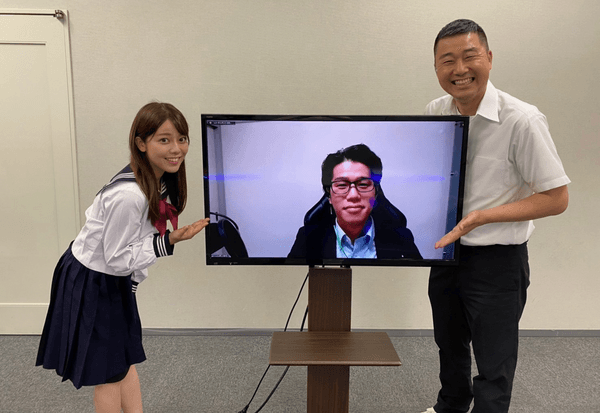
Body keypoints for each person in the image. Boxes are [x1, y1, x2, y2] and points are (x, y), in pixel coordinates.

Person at [421, 20, 570, 413]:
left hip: (497, 259)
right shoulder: (436, 111)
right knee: (449, 343)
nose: (459, 69)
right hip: (446, 253)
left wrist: (482, 217)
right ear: (435, 68)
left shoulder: (522, 119)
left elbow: (556, 198)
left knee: (494, 361)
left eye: (469, 56)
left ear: (488, 58)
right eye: (447, 60)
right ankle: (450, 405)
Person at [36, 102, 210, 413]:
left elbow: (131, 246)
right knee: (109, 372)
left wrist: (133, 284)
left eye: (182, 138)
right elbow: (116, 259)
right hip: (93, 280)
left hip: (113, 278)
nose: (176, 149)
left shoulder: (157, 180)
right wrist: (169, 241)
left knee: (124, 357)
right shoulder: (129, 196)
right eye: (164, 139)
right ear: (141, 143)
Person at [288, 143, 422, 260]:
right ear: (329, 196)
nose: (353, 195)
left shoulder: (401, 239)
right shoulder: (308, 239)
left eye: (363, 184)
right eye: (342, 185)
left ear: (376, 192)